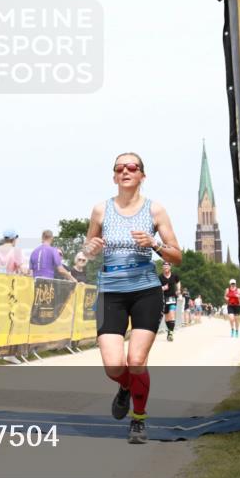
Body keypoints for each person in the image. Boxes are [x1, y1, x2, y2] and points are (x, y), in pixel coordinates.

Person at [82, 152, 182, 444]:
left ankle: (138, 419)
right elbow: (87, 250)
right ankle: (126, 387)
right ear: (114, 176)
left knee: (136, 359)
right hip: (110, 291)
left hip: (144, 290)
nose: (125, 171)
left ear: (142, 175)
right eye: (119, 168)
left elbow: (176, 256)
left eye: (132, 167)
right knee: (114, 366)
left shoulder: (155, 211)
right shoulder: (101, 210)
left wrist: (154, 244)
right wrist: (91, 248)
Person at [158, 262, 179, 341]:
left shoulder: (174, 275)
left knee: (172, 314)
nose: (166, 267)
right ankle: (169, 331)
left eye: (167, 266)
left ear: (170, 267)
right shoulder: (160, 277)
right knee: (167, 317)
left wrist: (178, 289)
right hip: (164, 298)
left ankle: (170, 333)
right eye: (164, 266)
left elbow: (178, 281)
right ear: (163, 268)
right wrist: (163, 288)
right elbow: (157, 288)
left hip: (172, 297)